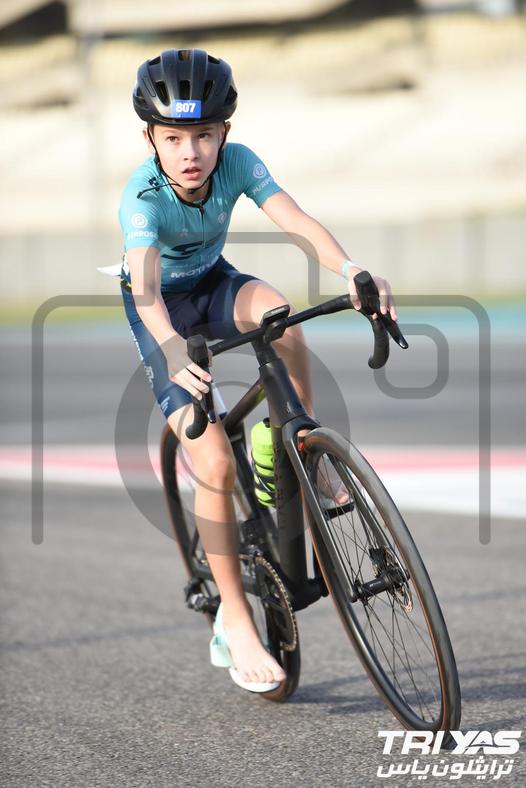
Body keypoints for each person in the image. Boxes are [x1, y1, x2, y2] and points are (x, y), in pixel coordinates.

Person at [118, 48, 397, 692]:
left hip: (213, 283)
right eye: (173, 138)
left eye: (203, 135)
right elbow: (146, 290)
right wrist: (170, 347)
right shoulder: (141, 196)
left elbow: (294, 219)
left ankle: (300, 443)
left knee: (282, 317)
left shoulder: (239, 163)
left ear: (225, 133)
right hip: (161, 311)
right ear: (150, 138)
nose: (191, 152)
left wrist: (351, 269)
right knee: (214, 462)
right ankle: (235, 619)